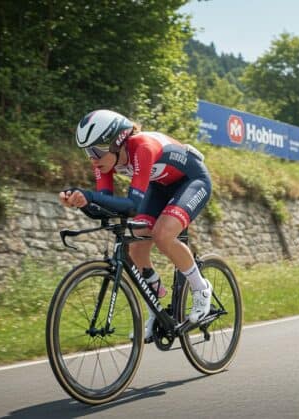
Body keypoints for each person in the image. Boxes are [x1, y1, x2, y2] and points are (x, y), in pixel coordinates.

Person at [58, 109, 213, 341]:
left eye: (95, 150)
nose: (92, 158)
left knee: (162, 235)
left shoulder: (142, 147)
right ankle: (155, 307)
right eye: (87, 152)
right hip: (159, 186)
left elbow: (131, 205)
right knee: (136, 246)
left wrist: (89, 196)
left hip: (192, 181)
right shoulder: (103, 162)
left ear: (116, 142)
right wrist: (81, 201)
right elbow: (106, 207)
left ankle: (201, 288)